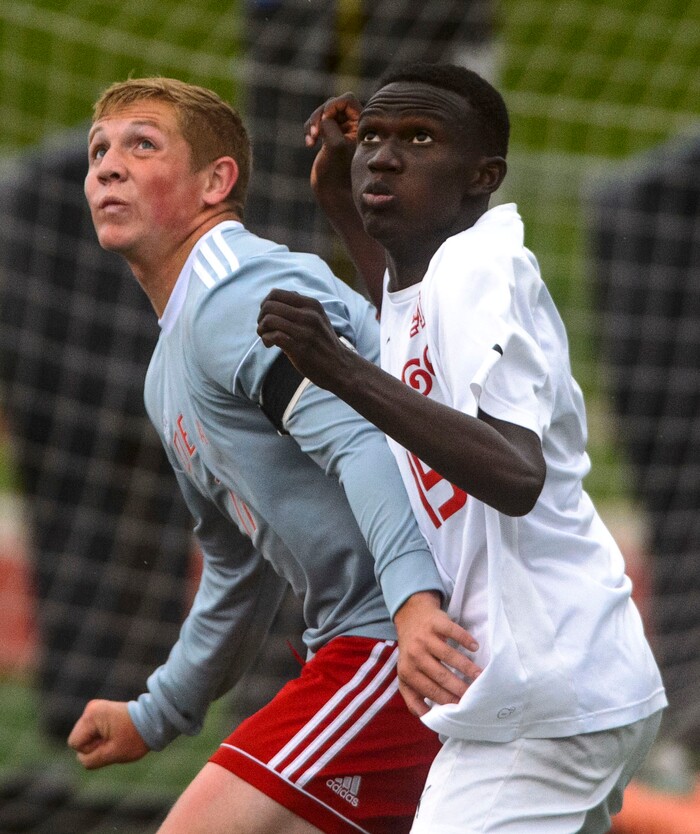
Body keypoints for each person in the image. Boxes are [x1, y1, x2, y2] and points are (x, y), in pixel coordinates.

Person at [257, 62, 668, 833]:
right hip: (564, 680)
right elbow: (402, 313)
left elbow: (515, 474)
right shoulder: (430, 281)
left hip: (538, 697)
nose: (383, 155)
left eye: (418, 138)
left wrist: (338, 368)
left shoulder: (483, 266)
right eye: (373, 137)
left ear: (483, 177)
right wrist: (338, 199)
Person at [66, 76, 478, 834]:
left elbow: (360, 439)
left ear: (215, 184)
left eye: (141, 144)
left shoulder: (236, 292)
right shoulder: (168, 371)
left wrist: (415, 604)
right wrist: (157, 712)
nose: (108, 166)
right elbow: (238, 562)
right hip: (383, 637)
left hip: (405, 638)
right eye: (99, 151)